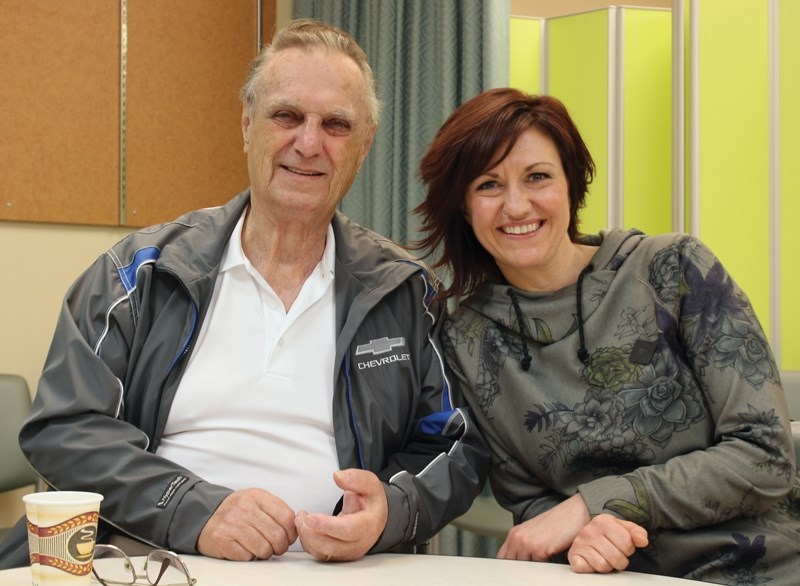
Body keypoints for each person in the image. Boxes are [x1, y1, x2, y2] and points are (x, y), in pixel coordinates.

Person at [0, 19, 489, 568]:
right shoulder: (137, 275)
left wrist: (391, 510)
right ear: (247, 123)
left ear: (364, 143)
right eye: (287, 116)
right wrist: (191, 508)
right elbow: (64, 428)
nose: (308, 143)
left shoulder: (406, 291)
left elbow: (455, 444)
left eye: (335, 124)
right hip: (144, 561)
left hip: (339, 574)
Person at [414, 88, 800, 583]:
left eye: (538, 177)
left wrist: (590, 507)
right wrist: (583, 532)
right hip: (607, 575)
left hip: (761, 565)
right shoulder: (465, 339)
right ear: (464, 207)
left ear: (572, 187)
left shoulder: (674, 269)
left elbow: (765, 453)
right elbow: (531, 506)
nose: (516, 205)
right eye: (488, 185)